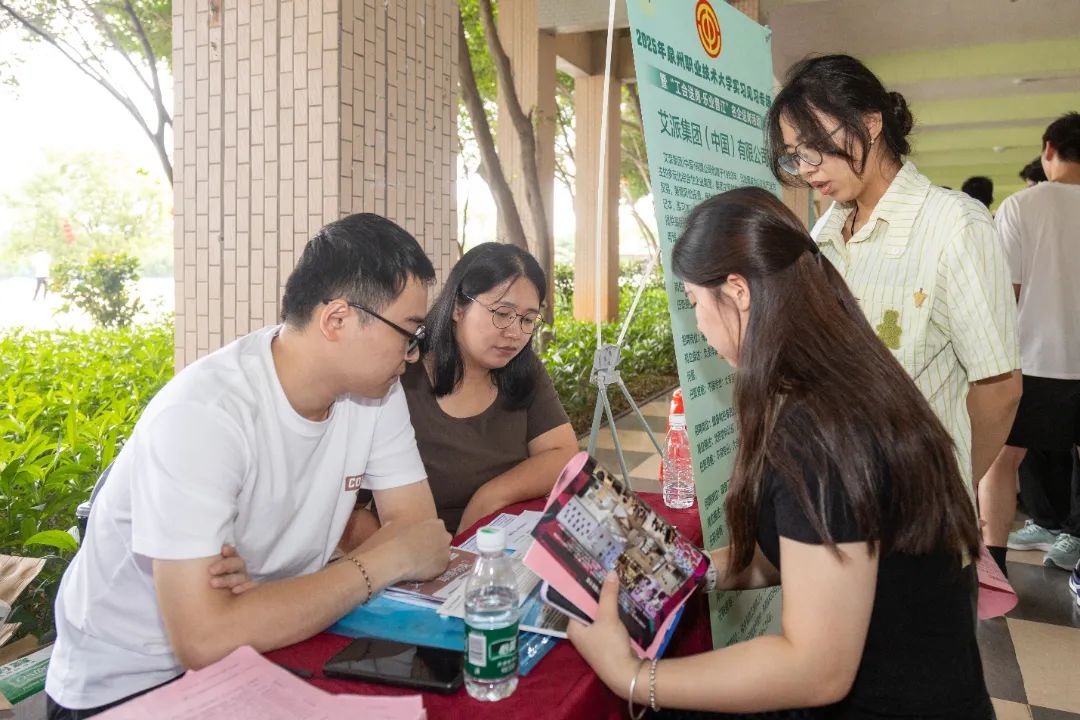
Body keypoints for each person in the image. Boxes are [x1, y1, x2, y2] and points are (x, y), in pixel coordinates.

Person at [568, 188, 991, 719]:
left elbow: (816, 670)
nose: (699, 324)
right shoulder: (844, 384)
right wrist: (684, 570)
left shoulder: (817, 432)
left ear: (737, 291)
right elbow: (804, 550)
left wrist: (630, 676)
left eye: (695, 302)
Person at [44, 214, 452, 719]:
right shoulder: (206, 414)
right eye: (408, 333)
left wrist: (260, 601)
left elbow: (419, 535)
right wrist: (380, 563)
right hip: (129, 685)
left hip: (267, 650)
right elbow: (204, 639)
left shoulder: (373, 392)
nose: (412, 355)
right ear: (337, 320)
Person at [765, 54, 1021, 518]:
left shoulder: (953, 226)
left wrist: (950, 485)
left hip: (918, 511)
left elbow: (999, 390)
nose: (805, 168)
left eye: (814, 145)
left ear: (870, 124)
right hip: (838, 498)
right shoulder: (825, 234)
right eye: (794, 154)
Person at [393, 242, 576, 534]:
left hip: (511, 541)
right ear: (458, 307)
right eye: (502, 313)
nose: (515, 333)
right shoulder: (401, 377)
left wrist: (490, 496)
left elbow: (563, 453)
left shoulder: (524, 369)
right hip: (431, 550)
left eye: (528, 319)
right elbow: (355, 513)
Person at [981, 112, 1080, 572]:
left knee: (1002, 459)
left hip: (1034, 361)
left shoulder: (1022, 206)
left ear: (1048, 149)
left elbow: (1008, 293)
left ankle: (995, 566)